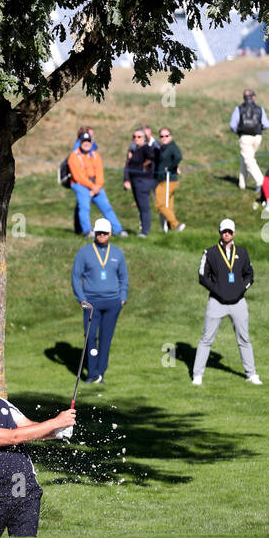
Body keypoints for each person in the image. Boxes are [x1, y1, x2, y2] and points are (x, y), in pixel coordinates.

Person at [0, 366, 76, 538]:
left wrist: (56, 432)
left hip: (25, 491)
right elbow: (13, 437)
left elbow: (28, 427)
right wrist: (55, 422)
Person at [192, 220, 261, 386]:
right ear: (220, 232)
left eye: (229, 231)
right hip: (217, 302)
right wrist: (217, 290)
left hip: (238, 303)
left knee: (244, 339)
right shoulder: (210, 253)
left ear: (234, 233)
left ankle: (251, 374)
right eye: (224, 231)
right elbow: (202, 276)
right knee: (206, 339)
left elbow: (250, 276)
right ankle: (197, 375)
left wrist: (240, 290)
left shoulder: (242, 253)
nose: (227, 234)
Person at [70, 219, 128, 385]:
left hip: (112, 303)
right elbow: (75, 277)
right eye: (98, 233)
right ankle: (91, 372)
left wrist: (122, 297)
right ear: (94, 233)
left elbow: (123, 277)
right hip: (91, 303)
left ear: (110, 234)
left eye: (104, 233)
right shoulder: (84, 252)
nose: (101, 235)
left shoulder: (117, 253)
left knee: (106, 338)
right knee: (90, 337)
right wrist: (81, 299)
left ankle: (100, 373)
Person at [67, 132, 126, 238]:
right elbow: (78, 176)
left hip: (96, 186)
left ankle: (118, 230)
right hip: (80, 185)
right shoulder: (74, 156)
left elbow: (100, 173)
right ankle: (87, 231)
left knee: (107, 207)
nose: (86, 143)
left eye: (88, 141)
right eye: (84, 141)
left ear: (91, 142)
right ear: (80, 142)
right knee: (84, 207)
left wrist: (97, 186)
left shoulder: (95, 155)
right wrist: (92, 187)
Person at [229, 89, 269, 191]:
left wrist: (238, 131)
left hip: (245, 137)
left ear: (244, 98)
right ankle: (242, 184)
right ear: (253, 97)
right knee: (247, 159)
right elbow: (267, 124)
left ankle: (261, 182)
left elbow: (232, 125)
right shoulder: (260, 109)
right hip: (257, 138)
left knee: (249, 160)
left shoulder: (239, 109)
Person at [123, 126, 158, 238]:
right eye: (134, 136)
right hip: (135, 181)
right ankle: (143, 229)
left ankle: (144, 231)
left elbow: (153, 157)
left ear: (145, 138)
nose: (136, 138)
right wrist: (126, 179)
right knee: (140, 206)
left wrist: (144, 165)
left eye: (139, 136)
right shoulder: (134, 149)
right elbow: (128, 166)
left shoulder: (146, 148)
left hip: (142, 181)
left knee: (144, 207)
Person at [154, 127, 185, 232]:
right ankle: (172, 228)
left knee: (160, 205)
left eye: (166, 136)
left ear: (171, 136)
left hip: (169, 180)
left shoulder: (172, 147)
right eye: (161, 136)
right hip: (164, 179)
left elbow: (178, 156)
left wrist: (172, 167)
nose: (164, 138)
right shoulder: (163, 147)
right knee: (169, 206)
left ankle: (176, 224)